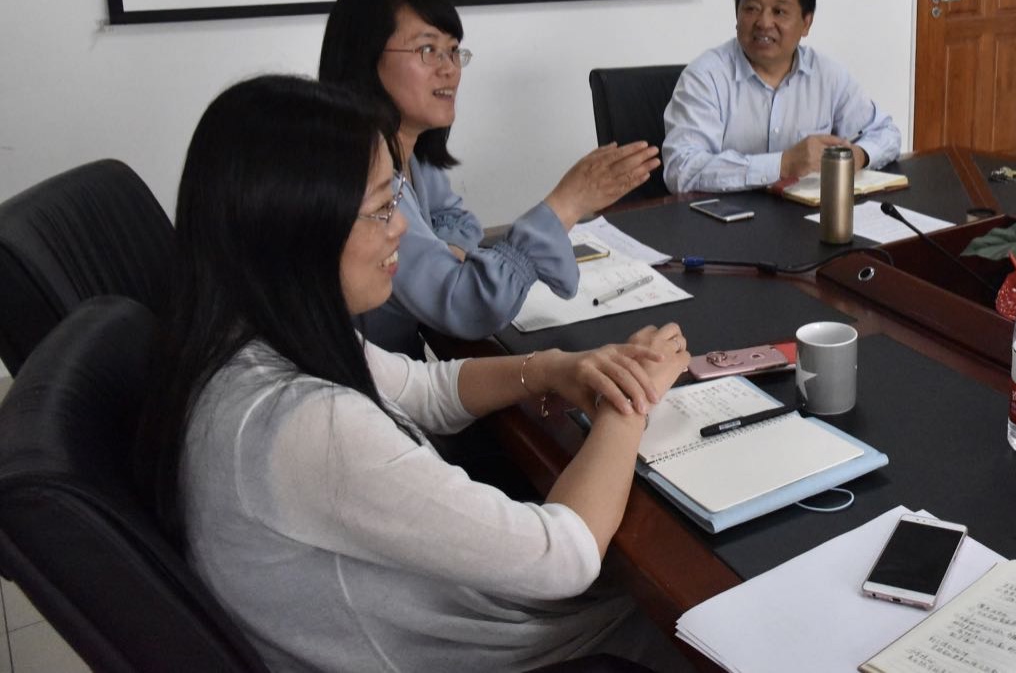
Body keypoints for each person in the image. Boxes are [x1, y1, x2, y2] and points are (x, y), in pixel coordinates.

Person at [134, 75, 690, 672]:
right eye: (381, 208)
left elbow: (423, 387)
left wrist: (552, 368)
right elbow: (561, 559)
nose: (401, 226)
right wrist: (630, 400)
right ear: (298, 230)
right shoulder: (306, 425)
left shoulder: (247, 336)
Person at [320, 0, 659, 355]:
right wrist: (567, 203)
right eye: (428, 50)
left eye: (453, 51)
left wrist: (445, 252)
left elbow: (459, 221)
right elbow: (469, 306)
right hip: (361, 380)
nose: (450, 68)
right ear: (366, 59)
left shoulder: (411, 153)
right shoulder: (361, 171)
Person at [662, 0, 902, 193]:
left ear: (806, 23)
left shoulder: (827, 74)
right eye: (752, 9)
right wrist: (783, 165)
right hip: (726, 213)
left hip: (805, 212)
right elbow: (682, 170)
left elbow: (886, 133)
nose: (764, 23)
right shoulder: (705, 77)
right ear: (737, 16)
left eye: (779, 11)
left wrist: (859, 155)